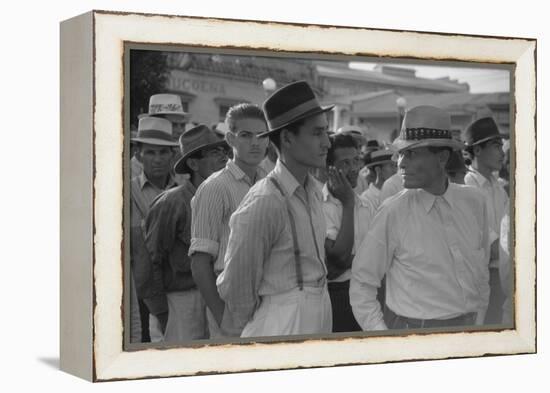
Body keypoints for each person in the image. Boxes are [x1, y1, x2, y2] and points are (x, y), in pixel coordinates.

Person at [350, 105, 491, 331]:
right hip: (414, 335)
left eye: (412, 153)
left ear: (442, 157)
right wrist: (384, 338)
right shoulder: (393, 211)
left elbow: (481, 269)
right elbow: (362, 284)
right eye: (402, 154)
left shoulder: (474, 201)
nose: (400, 163)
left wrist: (481, 320)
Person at [217, 81, 333, 337]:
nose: (327, 143)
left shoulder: (313, 191)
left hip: (318, 311)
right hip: (280, 321)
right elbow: (238, 288)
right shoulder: (266, 200)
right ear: (287, 138)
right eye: (316, 133)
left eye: (326, 132)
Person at [189, 103, 268, 338]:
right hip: (231, 302)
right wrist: (221, 315)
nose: (255, 142)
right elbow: (200, 262)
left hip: (269, 299)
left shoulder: (269, 183)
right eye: (246, 135)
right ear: (231, 139)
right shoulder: (215, 187)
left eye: (261, 135)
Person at [144, 125, 229, 342]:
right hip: (180, 301)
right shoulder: (171, 203)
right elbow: (149, 261)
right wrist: (162, 313)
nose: (223, 157)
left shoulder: (227, 195)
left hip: (217, 296)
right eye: (213, 153)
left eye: (223, 151)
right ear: (193, 163)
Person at [130, 117, 180, 342]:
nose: (157, 159)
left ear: (173, 155)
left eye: (163, 153)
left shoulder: (184, 192)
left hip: (178, 294)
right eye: (150, 153)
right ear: (139, 155)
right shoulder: (126, 191)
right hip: (139, 297)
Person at [323, 133, 376, 332]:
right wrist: (347, 203)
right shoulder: (319, 205)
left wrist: (351, 260)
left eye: (356, 161)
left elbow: (377, 257)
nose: (354, 169)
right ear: (329, 168)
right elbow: (336, 261)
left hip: (366, 293)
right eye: (345, 163)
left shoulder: (366, 205)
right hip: (337, 297)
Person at [463, 117, 509, 324]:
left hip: (502, 276)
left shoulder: (499, 189)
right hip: (478, 279)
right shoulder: (466, 187)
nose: (502, 152)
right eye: (496, 146)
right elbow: (490, 248)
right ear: (477, 150)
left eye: (502, 146)